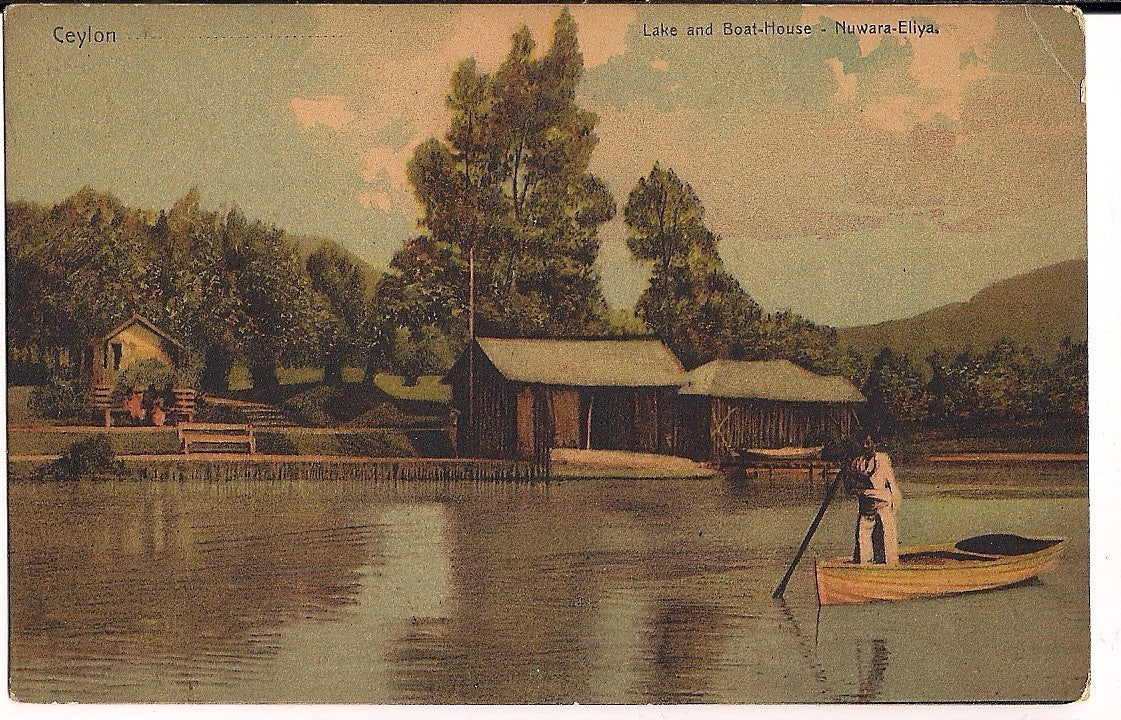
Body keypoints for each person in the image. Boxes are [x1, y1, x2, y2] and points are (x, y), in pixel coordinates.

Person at [844, 433, 902, 565]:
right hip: (866, 504)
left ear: (874, 444)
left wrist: (852, 473)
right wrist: (847, 472)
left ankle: (891, 564)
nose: (865, 446)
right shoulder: (858, 461)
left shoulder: (881, 459)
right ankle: (865, 564)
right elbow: (850, 487)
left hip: (883, 501)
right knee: (863, 536)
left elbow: (872, 480)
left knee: (887, 533)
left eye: (869, 443)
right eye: (863, 443)